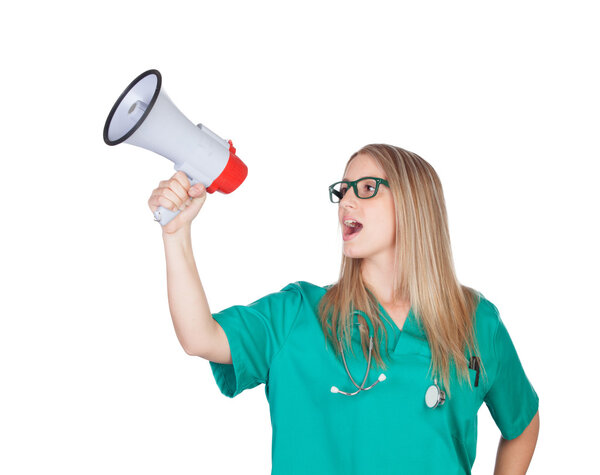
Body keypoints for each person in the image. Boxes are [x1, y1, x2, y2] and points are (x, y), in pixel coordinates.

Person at [148, 144, 540, 474]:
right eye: (344, 189)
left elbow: (521, 423)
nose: (346, 201)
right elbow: (200, 337)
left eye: (367, 188)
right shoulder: (298, 314)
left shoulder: (474, 321)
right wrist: (176, 234)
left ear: (414, 203)